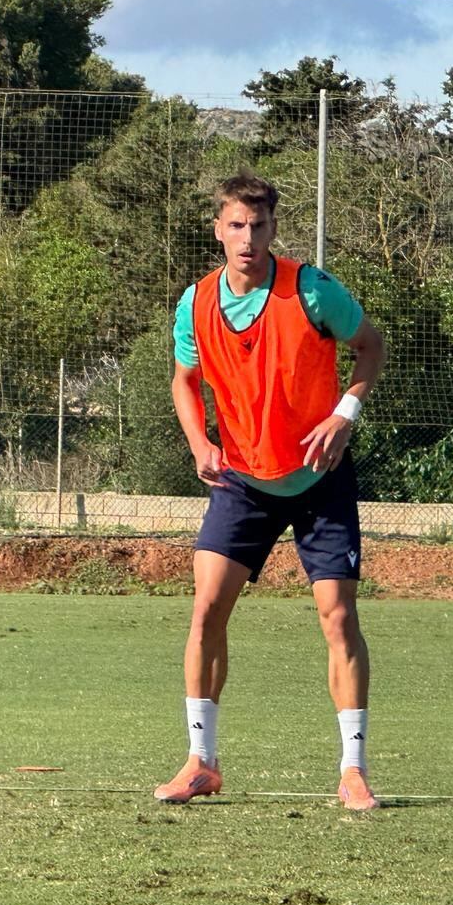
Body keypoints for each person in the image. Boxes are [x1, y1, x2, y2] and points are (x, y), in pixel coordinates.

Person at [154, 172, 387, 812]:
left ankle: (353, 769)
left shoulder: (311, 290)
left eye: (258, 227)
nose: (248, 239)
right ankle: (201, 761)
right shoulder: (195, 303)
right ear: (218, 230)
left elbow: (370, 347)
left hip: (319, 478)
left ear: (274, 230)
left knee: (338, 617)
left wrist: (344, 415)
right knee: (205, 612)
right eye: (236, 226)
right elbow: (184, 379)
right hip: (242, 481)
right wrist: (200, 443)